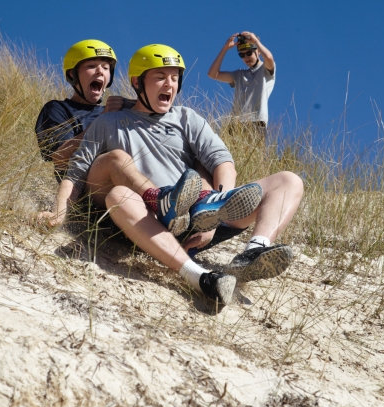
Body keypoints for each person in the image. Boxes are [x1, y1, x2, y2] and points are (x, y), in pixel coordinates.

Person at [38, 44, 303, 306]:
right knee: (118, 188)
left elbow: (222, 161)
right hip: (144, 220)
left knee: (288, 180)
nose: (169, 85)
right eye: (160, 77)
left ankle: (252, 252)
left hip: (193, 218)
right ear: (137, 82)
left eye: (175, 78)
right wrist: (59, 212)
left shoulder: (187, 117)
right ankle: (199, 276)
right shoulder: (109, 121)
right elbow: (75, 170)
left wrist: (213, 214)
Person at [35, 39, 132, 181]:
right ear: (72, 74)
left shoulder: (116, 111)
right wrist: (103, 120)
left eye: (106, 68)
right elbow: (60, 157)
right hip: (82, 187)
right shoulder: (57, 109)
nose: (100, 71)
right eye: (91, 66)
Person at [207, 31, 275, 139]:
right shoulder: (239, 74)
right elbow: (212, 74)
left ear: (258, 51)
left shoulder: (265, 70)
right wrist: (224, 49)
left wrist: (256, 41)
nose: (246, 57)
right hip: (234, 125)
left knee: (253, 155)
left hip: (256, 122)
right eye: (242, 55)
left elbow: (269, 58)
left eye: (249, 53)